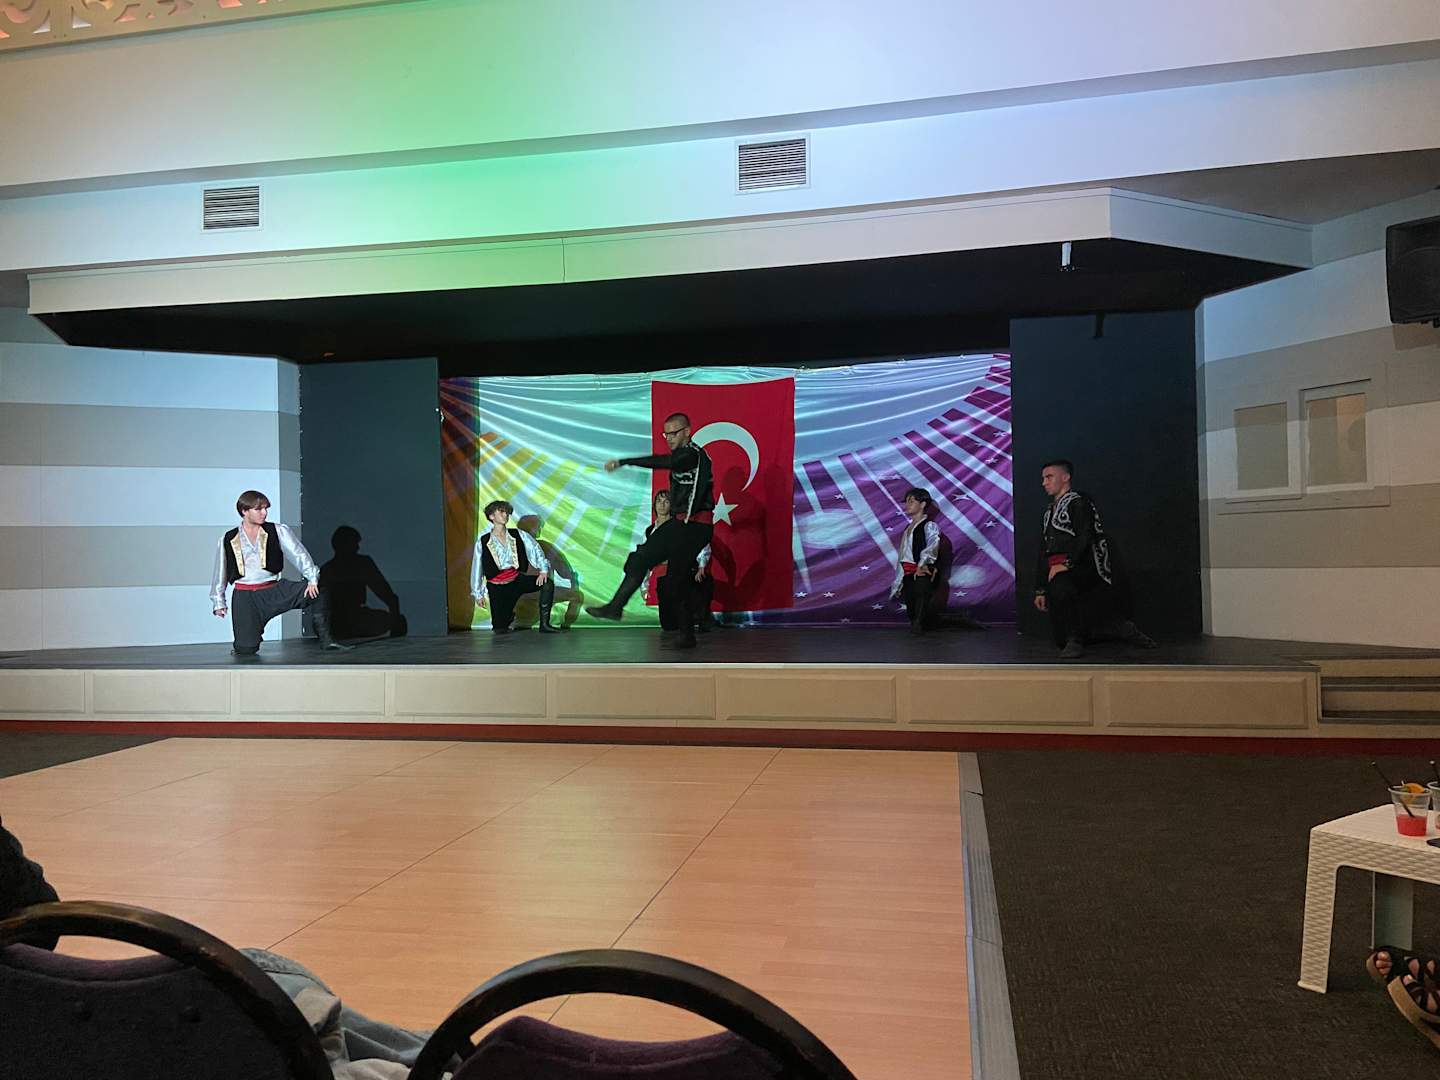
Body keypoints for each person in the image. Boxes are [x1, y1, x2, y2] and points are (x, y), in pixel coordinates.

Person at [586, 413, 715, 649]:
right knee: (649, 564)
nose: (669, 438)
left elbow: (664, 462)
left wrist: (625, 461)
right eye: (666, 434)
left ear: (687, 432)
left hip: (696, 525)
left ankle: (688, 630)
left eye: (674, 433)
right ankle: (617, 608)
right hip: (681, 524)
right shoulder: (681, 455)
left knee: (668, 574)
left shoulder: (693, 455)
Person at [1032, 460, 1156, 659]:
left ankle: (1076, 640)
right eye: (1043, 478)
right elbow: (1044, 550)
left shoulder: (1079, 502)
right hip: (1057, 568)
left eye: (1049, 477)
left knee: (1063, 587)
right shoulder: (1048, 511)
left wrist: (1067, 564)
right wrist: (1040, 588)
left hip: (1082, 565)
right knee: (1060, 636)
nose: (1044, 483)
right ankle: (1118, 628)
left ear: (1065, 477)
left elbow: (1085, 536)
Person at [210, 490, 351, 658]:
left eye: (266, 508)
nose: (264, 513)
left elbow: (299, 554)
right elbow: (221, 570)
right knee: (246, 649)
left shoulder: (277, 530)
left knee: (320, 590)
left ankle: (327, 640)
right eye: (259, 509)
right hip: (245, 597)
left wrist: (312, 578)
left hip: (274, 590)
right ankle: (246, 642)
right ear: (244, 511)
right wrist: (219, 601)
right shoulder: (228, 538)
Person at [470, 500, 564, 635]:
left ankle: (545, 625)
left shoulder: (518, 534)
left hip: (516, 581)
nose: (505, 515)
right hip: (497, 587)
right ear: (491, 516)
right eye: (501, 512)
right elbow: (477, 568)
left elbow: (535, 549)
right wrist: (478, 593)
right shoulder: (483, 541)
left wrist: (543, 570)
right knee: (499, 628)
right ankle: (507, 617)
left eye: (507, 512)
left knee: (547, 584)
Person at [319, 526, 406, 642]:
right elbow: (385, 592)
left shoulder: (328, 569)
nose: (357, 547)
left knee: (390, 620)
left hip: (342, 622)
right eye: (354, 543)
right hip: (344, 622)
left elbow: (385, 592)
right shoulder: (361, 564)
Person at [515, 515, 583, 629]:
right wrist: (573, 580)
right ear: (533, 528)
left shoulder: (508, 546)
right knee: (577, 596)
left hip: (516, 597)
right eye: (538, 527)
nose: (539, 529)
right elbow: (565, 572)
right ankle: (565, 626)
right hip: (540, 593)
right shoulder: (544, 547)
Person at [890, 487, 943, 634]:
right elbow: (903, 555)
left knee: (921, 602)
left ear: (923, 504)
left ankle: (920, 626)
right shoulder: (907, 529)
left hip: (922, 570)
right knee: (912, 609)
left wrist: (923, 563)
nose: (907, 505)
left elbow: (933, 544)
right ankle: (951, 620)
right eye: (906, 501)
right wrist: (899, 579)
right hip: (908, 571)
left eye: (911, 501)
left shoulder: (929, 526)